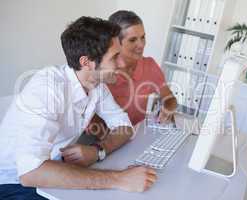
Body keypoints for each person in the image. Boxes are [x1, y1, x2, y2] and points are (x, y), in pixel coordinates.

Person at [0, 16, 157, 199]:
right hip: (12, 183)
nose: (122, 64)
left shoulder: (97, 85)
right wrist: (119, 179)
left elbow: (124, 127)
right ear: (86, 62)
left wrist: (98, 150)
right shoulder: (47, 89)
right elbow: (30, 173)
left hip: (53, 168)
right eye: (115, 57)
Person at [86, 10, 177, 136]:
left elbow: (169, 97)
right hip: (103, 141)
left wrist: (168, 107)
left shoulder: (150, 66)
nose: (141, 45)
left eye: (143, 37)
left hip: (133, 138)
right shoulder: (103, 73)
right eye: (133, 40)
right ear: (115, 42)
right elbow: (93, 127)